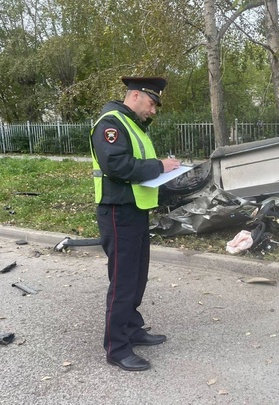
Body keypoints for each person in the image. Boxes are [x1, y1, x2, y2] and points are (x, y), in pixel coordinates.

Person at [89, 76, 180, 371]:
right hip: (117, 213)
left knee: (137, 277)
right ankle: (116, 347)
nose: (153, 110)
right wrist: (160, 166)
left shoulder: (134, 125)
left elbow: (139, 169)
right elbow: (116, 165)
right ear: (136, 96)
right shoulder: (111, 123)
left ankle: (132, 328)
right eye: (152, 103)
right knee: (123, 283)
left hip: (136, 210)